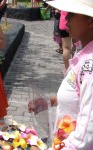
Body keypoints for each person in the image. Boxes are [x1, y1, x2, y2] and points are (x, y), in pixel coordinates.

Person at [28, 0, 93, 149]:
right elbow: (81, 96)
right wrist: (52, 101)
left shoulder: (90, 65)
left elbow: (85, 138)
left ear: (90, 20)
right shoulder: (82, 49)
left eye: (72, 13)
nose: (66, 18)